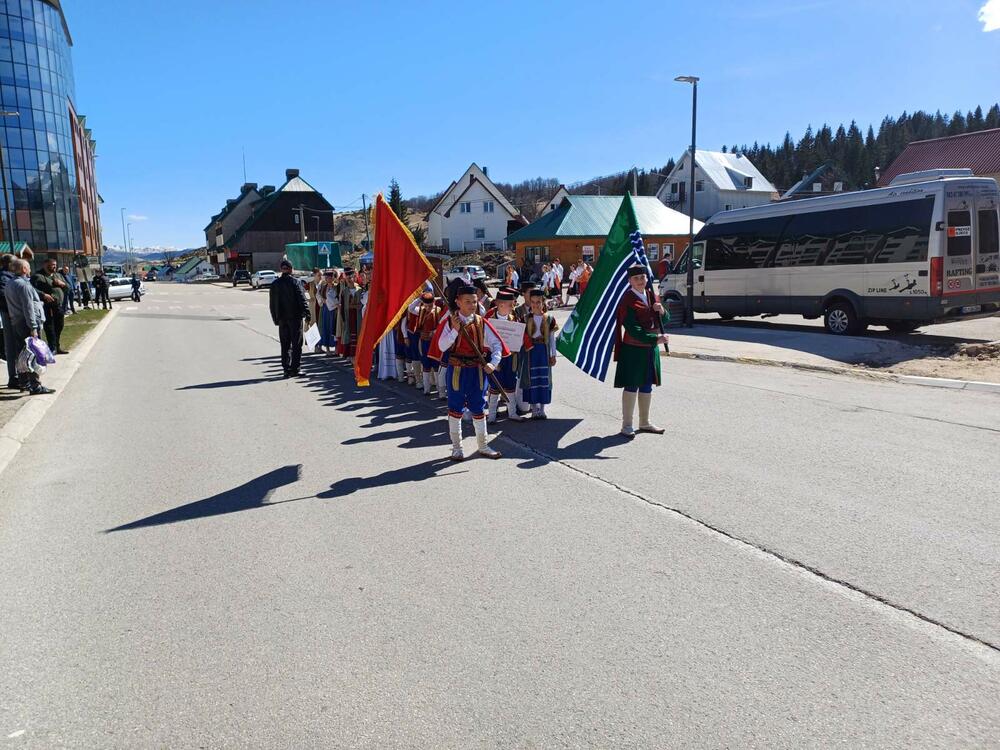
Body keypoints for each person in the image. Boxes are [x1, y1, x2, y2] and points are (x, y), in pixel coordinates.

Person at [428, 284, 509, 461]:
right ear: (458, 302)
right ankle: (457, 448)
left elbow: (497, 345)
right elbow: (442, 346)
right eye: (467, 302)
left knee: (478, 407)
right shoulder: (450, 322)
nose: (472, 305)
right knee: (455, 408)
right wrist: (455, 330)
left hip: (476, 372)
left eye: (474, 301)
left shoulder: (481, 322)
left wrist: (493, 363)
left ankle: (483, 446)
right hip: (456, 372)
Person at [614, 265, 670, 437]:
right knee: (632, 385)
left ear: (647, 278)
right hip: (633, 350)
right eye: (636, 278)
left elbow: (664, 320)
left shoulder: (651, 295)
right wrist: (655, 339)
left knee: (646, 385)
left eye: (642, 277)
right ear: (629, 281)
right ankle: (627, 425)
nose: (640, 281)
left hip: (650, 350)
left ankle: (644, 422)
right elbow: (632, 328)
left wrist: (662, 311)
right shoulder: (627, 299)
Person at [5, 258, 54, 394]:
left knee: (22, 354)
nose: (31, 269)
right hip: (27, 323)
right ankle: (35, 385)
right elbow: (28, 308)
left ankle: (24, 382)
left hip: (17, 322)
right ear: (24, 269)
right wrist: (33, 327)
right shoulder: (23, 285)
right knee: (34, 353)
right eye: (29, 267)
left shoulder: (10, 283)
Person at [485, 288, 528, 423]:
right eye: (510, 304)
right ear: (500, 304)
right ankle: (492, 415)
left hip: (510, 358)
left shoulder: (514, 318)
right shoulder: (489, 319)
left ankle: (512, 413)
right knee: (494, 386)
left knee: (510, 384)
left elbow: (521, 336)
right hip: (494, 357)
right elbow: (483, 339)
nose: (512, 307)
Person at [519, 289, 558, 419]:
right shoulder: (525, 318)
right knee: (532, 380)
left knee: (544, 379)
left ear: (543, 303)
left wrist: (553, 354)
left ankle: (542, 409)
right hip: (530, 353)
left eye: (538, 302)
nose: (536, 305)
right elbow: (520, 337)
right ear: (530, 302)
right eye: (533, 302)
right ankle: (534, 409)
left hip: (544, 352)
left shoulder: (549, 319)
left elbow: (552, 338)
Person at [269, 259, 310, 377]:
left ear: (281, 269)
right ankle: (295, 369)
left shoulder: (275, 284)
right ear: (291, 270)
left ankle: (286, 369)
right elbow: (302, 299)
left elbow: (272, 304)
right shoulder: (295, 282)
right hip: (295, 317)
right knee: (296, 344)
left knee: (285, 344)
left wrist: (275, 318)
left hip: (282, 319)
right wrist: (307, 313)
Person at [407, 291, 445, 395]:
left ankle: (440, 391)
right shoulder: (420, 310)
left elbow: (442, 325)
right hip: (423, 342)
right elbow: (410, 308)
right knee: (425, 364)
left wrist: (435, 332)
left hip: (434, 343)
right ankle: (426, 389)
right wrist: (419, 298)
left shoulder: (438, 310)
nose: (428, 307)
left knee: (436, 365)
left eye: (430, 305)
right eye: (426, 305)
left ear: (434, 302)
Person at [31, 258, 68, 354]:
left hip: (58, 305)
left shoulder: (58, 275)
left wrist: (62, 284)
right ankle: (52, 347)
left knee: (59, 326)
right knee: (50, 327)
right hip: (47, 306)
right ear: (45, 265)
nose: (54, 266)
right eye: (52, 265)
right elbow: (32, 289)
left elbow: (68, 288)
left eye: (55, 264)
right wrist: (43, 295)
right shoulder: (37, 276)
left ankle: (57, 346)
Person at [336, 269, 363, 361]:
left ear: (354, 277)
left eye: (350, 277)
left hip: (358, 317)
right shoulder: (344, 291)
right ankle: (351, 355)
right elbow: (343, 306)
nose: (349, 280)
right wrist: (343, 318)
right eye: (347, 278)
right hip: (348, 316)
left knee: (358, 334)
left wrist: (357, 306)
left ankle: (358, 355)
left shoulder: (360, 290)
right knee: (349, 335)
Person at [0, 253, 17, 387]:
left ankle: (19, 376)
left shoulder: (12, 276)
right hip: (10, 315)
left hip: (15, 314)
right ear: (10, 264)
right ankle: (14, 378)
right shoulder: (3, 277)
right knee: (12, 346)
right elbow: (4, 296)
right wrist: (12, 311)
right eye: (15, 262)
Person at [318, 269, 339, 355]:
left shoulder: (337, 287)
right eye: (327, 278)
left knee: (334, 328)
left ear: (333, 278)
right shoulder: (324, 287)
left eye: (330, 277)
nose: (328, 279)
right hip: (326, 309)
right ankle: (327, 348)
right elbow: (320, 296)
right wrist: (322, 300)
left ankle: (336, 348)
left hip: (335, 310)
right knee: (326, 327)